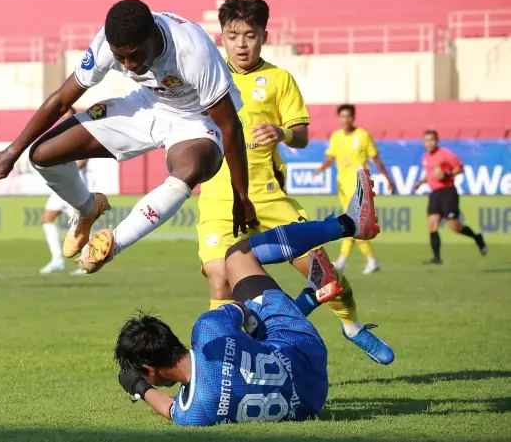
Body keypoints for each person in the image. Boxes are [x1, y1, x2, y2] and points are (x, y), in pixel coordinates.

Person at [0, 0, 257, 275]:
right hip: (145, 105)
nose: (129, 65)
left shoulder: (192, 51)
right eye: (121, 58)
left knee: (190, 168)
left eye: (135, 55)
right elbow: (60, 100)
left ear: (153, 37)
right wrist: (12, 152)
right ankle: (87, 208)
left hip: (198, 119)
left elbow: (230, 126)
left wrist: (241, 196)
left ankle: (112, 244)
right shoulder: (108, 43)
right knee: (42, 154)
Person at [196, 0, 393, 364]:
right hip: (221, 201)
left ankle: (352, 326)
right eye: (233, 35)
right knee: (220, 277)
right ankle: (225, 365)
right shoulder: (206, 77)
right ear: (221, 36)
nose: (241, 44)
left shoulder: (278, 79)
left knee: (323, 272)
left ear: (264, 36)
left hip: (269, 197)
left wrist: (281, 132)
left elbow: (300, 135)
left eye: (250, 35)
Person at [114, 168, 383, 426]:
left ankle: (312, 296)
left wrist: (139, 386)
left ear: (148, 368)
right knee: (239, 257)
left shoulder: (193, 413)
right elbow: (245, 309)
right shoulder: (207, 330)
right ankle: (347, 224)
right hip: (303, 349)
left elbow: (168, 408)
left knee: (252, 332)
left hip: (311, 400)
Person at [314, 103, 395, 274]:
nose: (345, 119)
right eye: (342, 116)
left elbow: (376, 159)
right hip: (342, 185)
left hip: (358, 184)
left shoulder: (363, 135)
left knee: (355, 224)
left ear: (353, 117)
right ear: (339, 118)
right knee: (349, 223)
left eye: (348, 116)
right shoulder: (336, 136)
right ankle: (344, 261)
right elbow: (330, 157)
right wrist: (321, 168)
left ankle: (370, 261)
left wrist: (388, 179)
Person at [414, 129, 487, 264]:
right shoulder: (425, 157)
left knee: (455, 227)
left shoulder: (446, 154)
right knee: (432, 224)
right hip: (435, 194)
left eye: (431, 140)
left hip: (448, 192)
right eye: (426, 140)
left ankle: (477, 238)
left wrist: (447, 174)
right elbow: (431, 174)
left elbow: (460, 168)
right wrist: (420, 182)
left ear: (437, 141)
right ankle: (437, 258)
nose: (429, 143)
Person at [40, 109, 90, 275]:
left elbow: (82, 162)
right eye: (61, 117)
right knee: (47, 218)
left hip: (75, 185)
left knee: (79, 226)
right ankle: (57, 259)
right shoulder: (59, 136)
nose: (62, 119)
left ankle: (88, 262)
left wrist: (63, 170)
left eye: (66, 117)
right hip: (61, 185)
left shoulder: (80, 134)